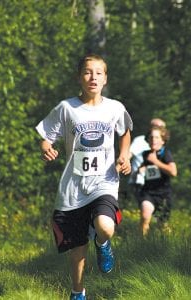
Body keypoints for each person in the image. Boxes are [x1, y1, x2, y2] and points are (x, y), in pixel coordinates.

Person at [36, 54, 133, 300]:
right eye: (88, 72)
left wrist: (124, 155)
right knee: (77, 248)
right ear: (79, 77)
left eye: (98, 73)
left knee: (105, 226)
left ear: (105, 78)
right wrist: (46, 146)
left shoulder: (115, 108)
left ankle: (103, 243)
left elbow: (125, 131)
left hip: (104, 182)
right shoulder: (66, 107)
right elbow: (47, 134)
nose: (93, 77)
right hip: (74, 187)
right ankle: (78, 292)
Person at [137, 126, 177, 236]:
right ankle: (141, 244)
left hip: (163, 194)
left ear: (163, 140)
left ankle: (167, 244)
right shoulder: (146, 154)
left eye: (157, 137)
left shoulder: (166, 154)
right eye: (151, 137)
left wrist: (155, 161)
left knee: (162, 225)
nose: (153, 140)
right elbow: (145, 167)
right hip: (148, 192)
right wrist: (141, 169)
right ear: (147, 140)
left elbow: (173, 172)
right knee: (145, 216)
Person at [128, 118, 166, 197]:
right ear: (150, 127)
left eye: (161, 127)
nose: (158, 129)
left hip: (155, 184)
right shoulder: (140, 140)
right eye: (156, 126)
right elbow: (129, 155)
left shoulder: (162, 143)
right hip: (139, 181)